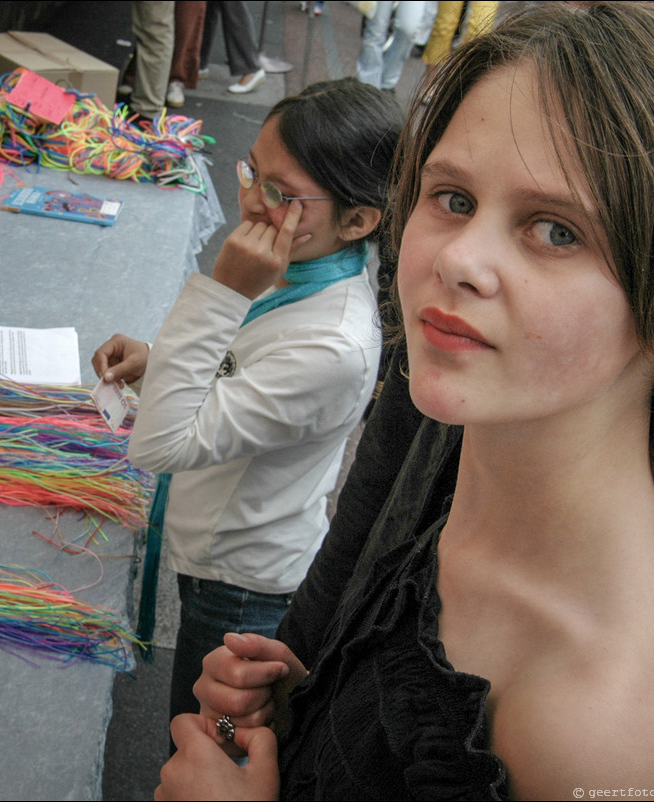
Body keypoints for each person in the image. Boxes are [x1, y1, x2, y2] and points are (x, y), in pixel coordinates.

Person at [157, 3, 654, 798]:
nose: (460, 258)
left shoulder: (599, 730)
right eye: (454, 199)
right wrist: (313, 713)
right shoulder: (481, 481)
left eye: (556, 230)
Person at [92, 79, 403, 739]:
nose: (251, 200)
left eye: (282, 193)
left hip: (241, 580)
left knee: (209, 741)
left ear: (359, 220)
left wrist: (223, 291)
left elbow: (157, 447)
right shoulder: (306, 262)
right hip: (215, 540)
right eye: (252, 171)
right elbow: (239, 370)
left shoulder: (335, 345)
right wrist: (157, 361)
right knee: (206, 727)